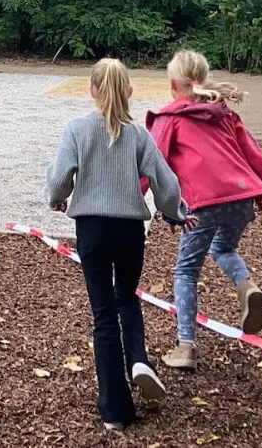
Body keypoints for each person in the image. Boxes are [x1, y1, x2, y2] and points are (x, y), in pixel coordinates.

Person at [44, 58, 187, 432]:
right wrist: (175, 213)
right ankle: (139, 359)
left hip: (92, 229)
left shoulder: (77, 129)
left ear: (92, 90)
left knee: (103, 315)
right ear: (129, 92)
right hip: (129, 231)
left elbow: (60, 179)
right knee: (127, 297)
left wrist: (58, 198)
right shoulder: (140, 135)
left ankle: (115, 410)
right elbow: (167, 185)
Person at [147, 49, 262, 370]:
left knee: (186, 271)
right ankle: (247, 286)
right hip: (243, 197)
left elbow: (152, 166)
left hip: (204, 202)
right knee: (224, 247)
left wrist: (127, 201)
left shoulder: (171, 119)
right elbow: (256, 156)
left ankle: (186, 346)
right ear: (201, 80)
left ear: (174, 85)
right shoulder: (225, 115)